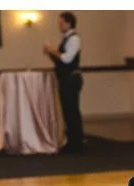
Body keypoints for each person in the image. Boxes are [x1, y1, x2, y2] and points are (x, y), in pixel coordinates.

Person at [43, 12, 84, 153]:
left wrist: (53, 50)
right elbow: (60, 61)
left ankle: (77, 142)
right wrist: (51, 53)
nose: (60, 26)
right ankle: (72, 140)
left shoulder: (74, 39)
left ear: (68, 23)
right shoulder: (66, 39)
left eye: (61, 23)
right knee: (67, 110)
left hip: (71, 79)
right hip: (65, 78)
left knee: (72, 110)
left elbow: (67, 59)